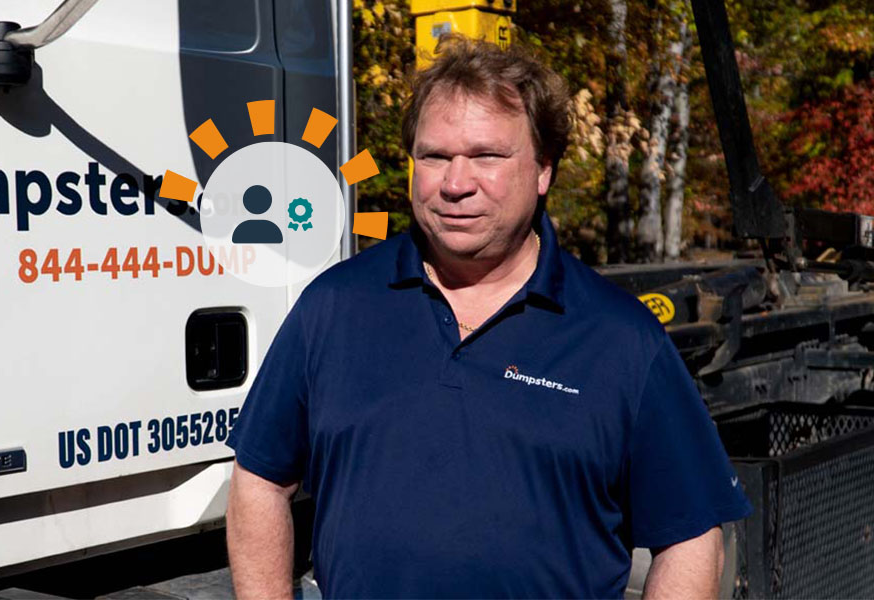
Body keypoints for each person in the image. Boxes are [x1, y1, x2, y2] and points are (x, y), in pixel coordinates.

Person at [224, 34, 752, 599]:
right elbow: (259, 480)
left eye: (486, 156)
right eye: (434, 157)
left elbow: (692, 535)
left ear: (543, 169)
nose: (455, 184)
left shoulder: (620, 337)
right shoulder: (333, 307)